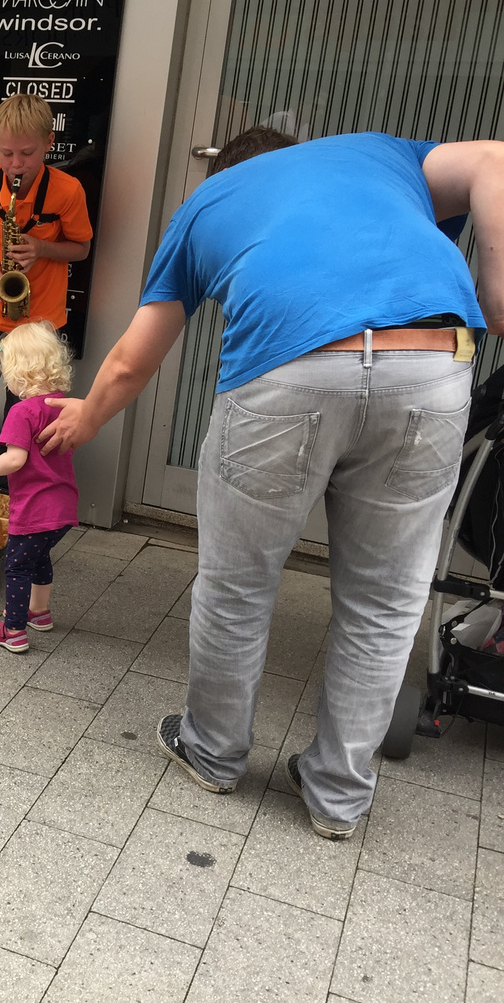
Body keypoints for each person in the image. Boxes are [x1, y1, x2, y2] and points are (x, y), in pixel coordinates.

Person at [39, 129, 504, 840]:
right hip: (432, 360)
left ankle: (213, 751)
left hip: (289, 367)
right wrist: (496, 295)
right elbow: (494, 157)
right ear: (299, 152)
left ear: (226, 173)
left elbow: (134, 360)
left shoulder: (206, 204)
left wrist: (88, 417)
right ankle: (338, 796)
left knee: (237, 582)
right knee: (383, 602)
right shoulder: (377, 154)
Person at [0, 93, 93, 479]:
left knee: (23, 427)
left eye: (26, 153)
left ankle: (15, 511)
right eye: (6, 153)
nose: (15, 164)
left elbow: (82, 249)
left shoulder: (67, 191)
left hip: (38, 328)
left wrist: (40, 248)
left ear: (49, 144)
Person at [0, 322, 78, 652]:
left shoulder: (22, 412)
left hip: (33, 508)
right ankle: (39, 612)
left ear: (17, 372)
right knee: (40, 558)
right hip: (63, 506)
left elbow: (15, 460)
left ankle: (13, 629)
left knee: (16, 567)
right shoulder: (62, 405)